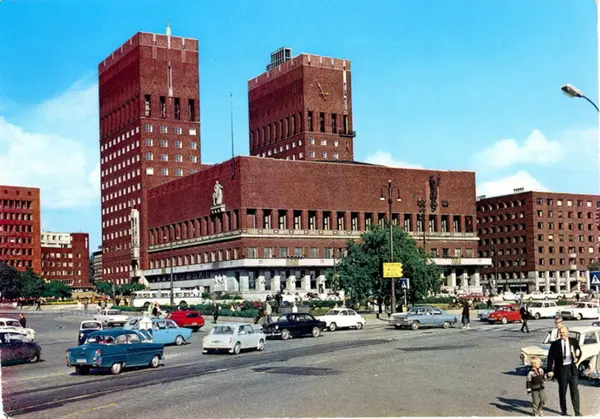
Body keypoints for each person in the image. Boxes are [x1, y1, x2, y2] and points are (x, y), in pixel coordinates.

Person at [547, 326, 582, 417]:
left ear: (568, 332)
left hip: (572, 369)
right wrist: (550, 370)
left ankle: (577, 412)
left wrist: (577, 358)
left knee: (575, 391)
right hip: (561, 370)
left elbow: (579, 351)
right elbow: (550, 358)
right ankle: (564, 411)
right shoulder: (555, 344)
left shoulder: (573, 341)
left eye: (564, 332)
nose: (563, 334)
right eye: (561, 333)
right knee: (562, 391)